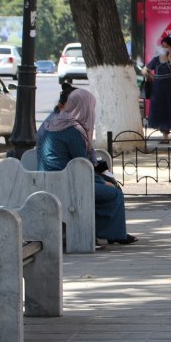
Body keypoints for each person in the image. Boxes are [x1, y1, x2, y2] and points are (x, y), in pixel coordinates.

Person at [39, 88, 137, 246]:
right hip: (67, 184)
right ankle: (108, 234)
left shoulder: (50, 122)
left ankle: (110, 233)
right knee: (113, 192)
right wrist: (101, 181)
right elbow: (82, 167)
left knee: (107, 188)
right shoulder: (71, 130)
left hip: (46, 181)